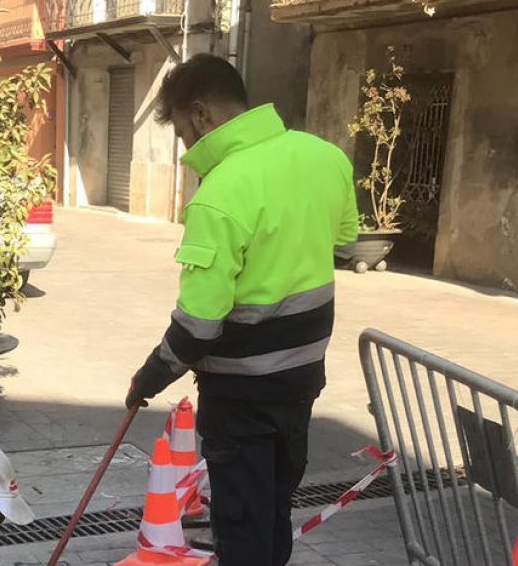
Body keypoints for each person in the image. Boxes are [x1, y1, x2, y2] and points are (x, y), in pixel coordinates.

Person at [125, 54, 359, 565]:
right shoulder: (325, 157)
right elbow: (344, 244)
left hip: (242, 393)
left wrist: (149, 377)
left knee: (241, 523)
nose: (189, 147)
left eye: (185, 133)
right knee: (274, 507)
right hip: (301, 380)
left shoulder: (221, 193)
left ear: (203, 114)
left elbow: (198, 325)